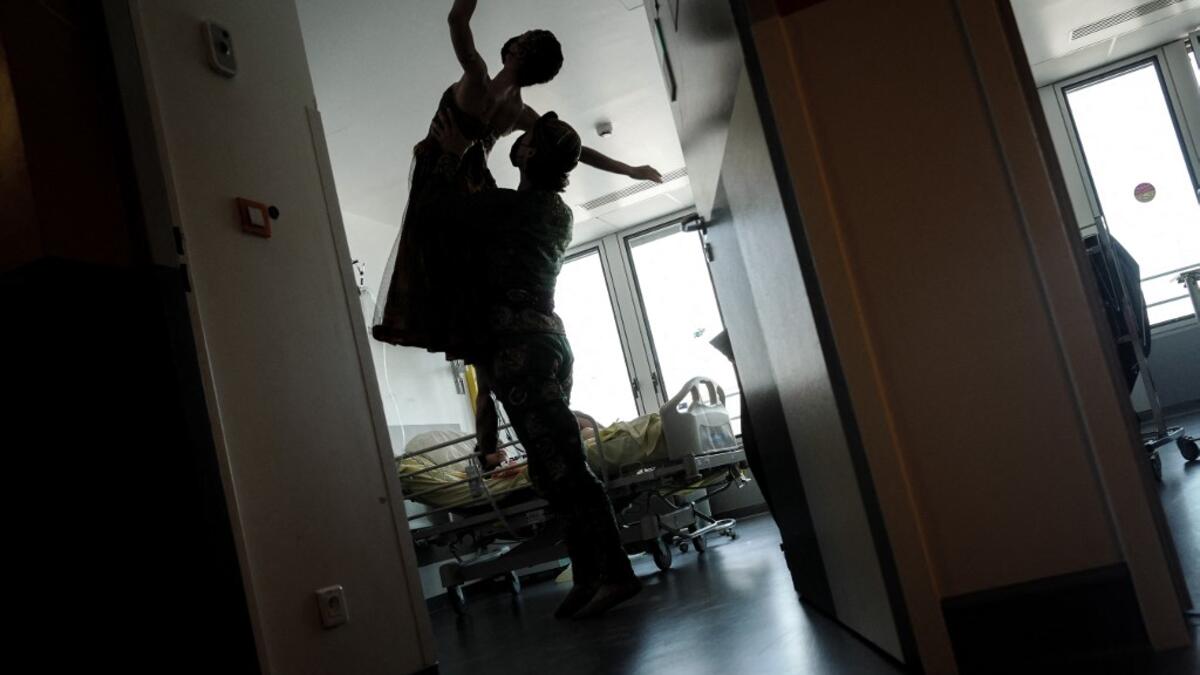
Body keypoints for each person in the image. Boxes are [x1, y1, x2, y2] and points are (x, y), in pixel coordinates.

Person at [372, 0, 662, 466]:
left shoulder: (480, 81)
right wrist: (630, 169)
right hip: (460, 182)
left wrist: (630, 169)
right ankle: (489, 443)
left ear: (518, 53)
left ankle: (489, 444)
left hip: (453, 180)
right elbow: (579, 151)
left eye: (525, 44)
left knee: (475, 305)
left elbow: (457, 19)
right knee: (474, 304)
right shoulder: (516, 109)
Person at [425, 107, 642, 619]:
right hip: (545, 341)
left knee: (564, 469)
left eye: (526, 139)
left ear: (528, 154)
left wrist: (454, 154)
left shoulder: (515, 210)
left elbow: (446, 207)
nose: (519, 140)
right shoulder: (551, 209)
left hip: (523, 348)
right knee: (553, 470)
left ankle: (614, 575)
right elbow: (491, 207)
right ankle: (593, 576)